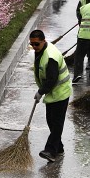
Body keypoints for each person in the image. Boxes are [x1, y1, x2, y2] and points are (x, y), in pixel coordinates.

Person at [29, 30, 72, 162]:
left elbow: (52, 79)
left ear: (43, 41)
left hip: (61, 91)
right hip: (52, 92)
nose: (34, 47)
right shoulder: (40, 51)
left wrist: (40, 92)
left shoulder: (51, 57)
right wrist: (42, 90)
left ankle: (50, 151)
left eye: (36, 44)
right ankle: (59, 147)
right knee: (50, 121)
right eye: (32, 44)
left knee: (57, 123)